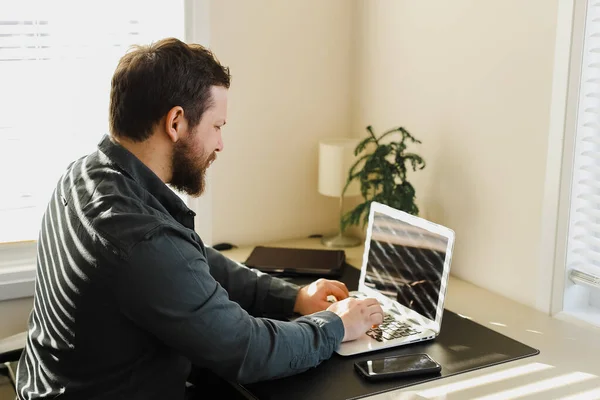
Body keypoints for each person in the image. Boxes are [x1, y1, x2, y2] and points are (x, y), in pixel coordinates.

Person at [15, 37, 384, 400]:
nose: (221, 144)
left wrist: (295, 298)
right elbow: (250, 351)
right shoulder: (141, 240)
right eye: (217, 126)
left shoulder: (85, 175)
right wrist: (337, 324)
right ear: (175, 122)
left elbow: (189, 261)